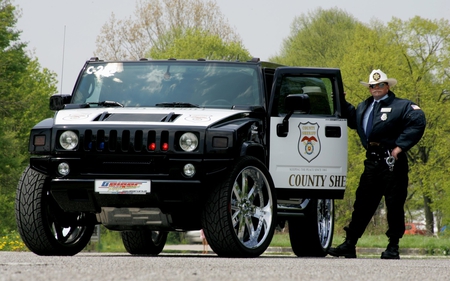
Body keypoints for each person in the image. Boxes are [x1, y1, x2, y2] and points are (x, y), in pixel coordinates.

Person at [328, 69, 426, 259]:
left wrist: (400, 147)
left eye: (380, 85)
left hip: (392, 162)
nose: (376, 88)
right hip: (372, 161)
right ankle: (350, 244)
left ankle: (393, 246)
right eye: (372, 86)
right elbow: (353, 120)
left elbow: (418, 121)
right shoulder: (365, 106)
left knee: (394, 204)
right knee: (362, 203)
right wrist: (340, 100)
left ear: (387, 86)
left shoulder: (401, 106)